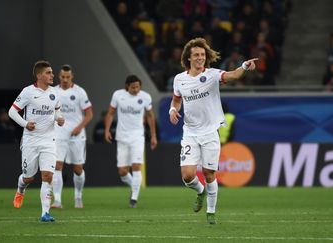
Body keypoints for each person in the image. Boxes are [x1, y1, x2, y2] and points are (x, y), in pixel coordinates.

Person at [169, 37, 258, 224]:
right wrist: (172, 110)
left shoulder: (212, 74)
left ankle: (211, 212)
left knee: (209, 174)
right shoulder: (179, 79)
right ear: (189, 58)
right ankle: (200, 191)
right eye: (196, 55)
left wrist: (244, 66)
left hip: (210, 132)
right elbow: (177, 100)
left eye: (202, 54)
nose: (200, 57)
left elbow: (233, 75)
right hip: (190, 133)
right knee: (187, 176)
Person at [8, 60, 65, 222]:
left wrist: (59, 118)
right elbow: (12, 112)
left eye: (52, 72)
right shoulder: (27, 92)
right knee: (28, 177)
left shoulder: (55, 93)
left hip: (49, 140)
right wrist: (26, 124)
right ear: (39, 75)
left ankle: (45, 213)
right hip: (31, 141)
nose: (52, 75)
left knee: (47, 175)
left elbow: (56, 111)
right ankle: (21, 189)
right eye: (48, 72)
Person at [104, 75, 158, 208]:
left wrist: (153, 135)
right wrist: (107, 130)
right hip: (121, 136)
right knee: (122, 171)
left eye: (138, 87)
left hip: (137, 136)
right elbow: (110, 113)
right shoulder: (118, 95)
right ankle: (135, 184)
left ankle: (134, 198)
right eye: (133, 87)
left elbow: (150, 116)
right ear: (127, 86)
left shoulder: (145, 97)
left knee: (136, 166)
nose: (135, 89)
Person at [51, 64, 93, 209]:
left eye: (67, 77)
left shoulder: (80, 92)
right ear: (59, 76)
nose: (65, 79)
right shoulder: (53, 92)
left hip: (77, 135)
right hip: (59, 134)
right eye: (62, 76)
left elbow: (89, 114)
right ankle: (57, 200)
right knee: (57, 166)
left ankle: (78, 196)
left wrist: (79, 128)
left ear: (72, 77)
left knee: (78, 169)